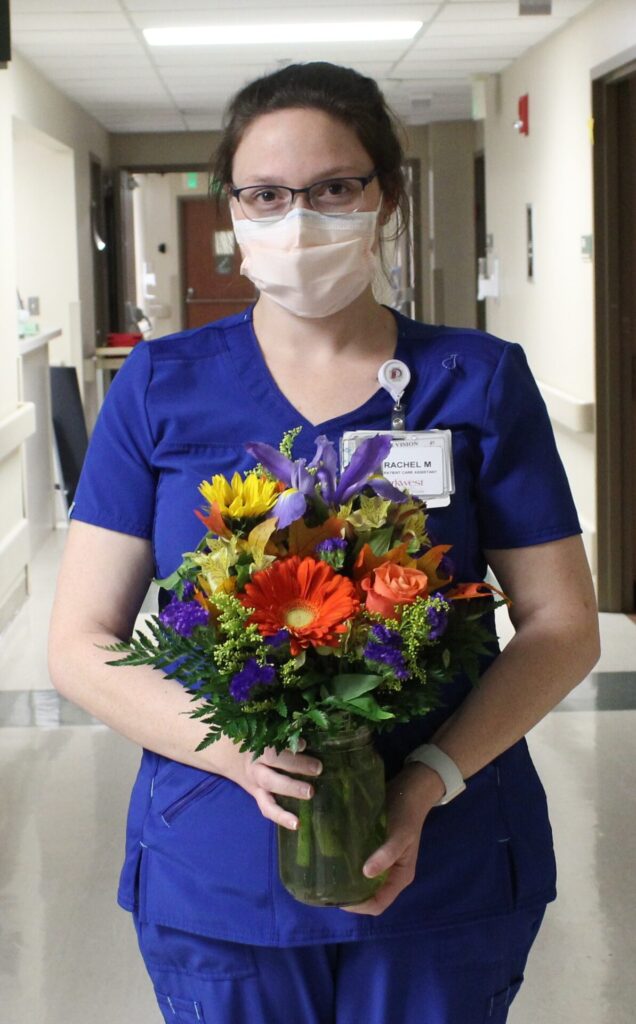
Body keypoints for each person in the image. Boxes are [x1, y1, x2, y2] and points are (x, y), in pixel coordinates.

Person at [49, 62, 600, 1024]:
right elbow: (80, 642)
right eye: (265, 194)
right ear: (233, 209)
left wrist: (430, 781)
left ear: (384, 194)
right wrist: (231, 756)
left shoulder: (477, 381)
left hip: (447, 857)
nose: (297, 218)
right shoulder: (159, 388)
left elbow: (562, 625)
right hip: (219, 853)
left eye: (334, 187)